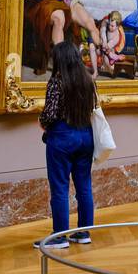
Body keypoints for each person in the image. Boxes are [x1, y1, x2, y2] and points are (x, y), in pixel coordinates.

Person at [35, 40, 98, 249]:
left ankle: (60, 237)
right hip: (85, 136)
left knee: (60, 188)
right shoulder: (88, 81)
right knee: (84, 186)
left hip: (62, 137)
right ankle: (83, 233)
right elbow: (94, 108)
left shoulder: (56, 81)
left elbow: (51, 113)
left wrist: (42, 122)